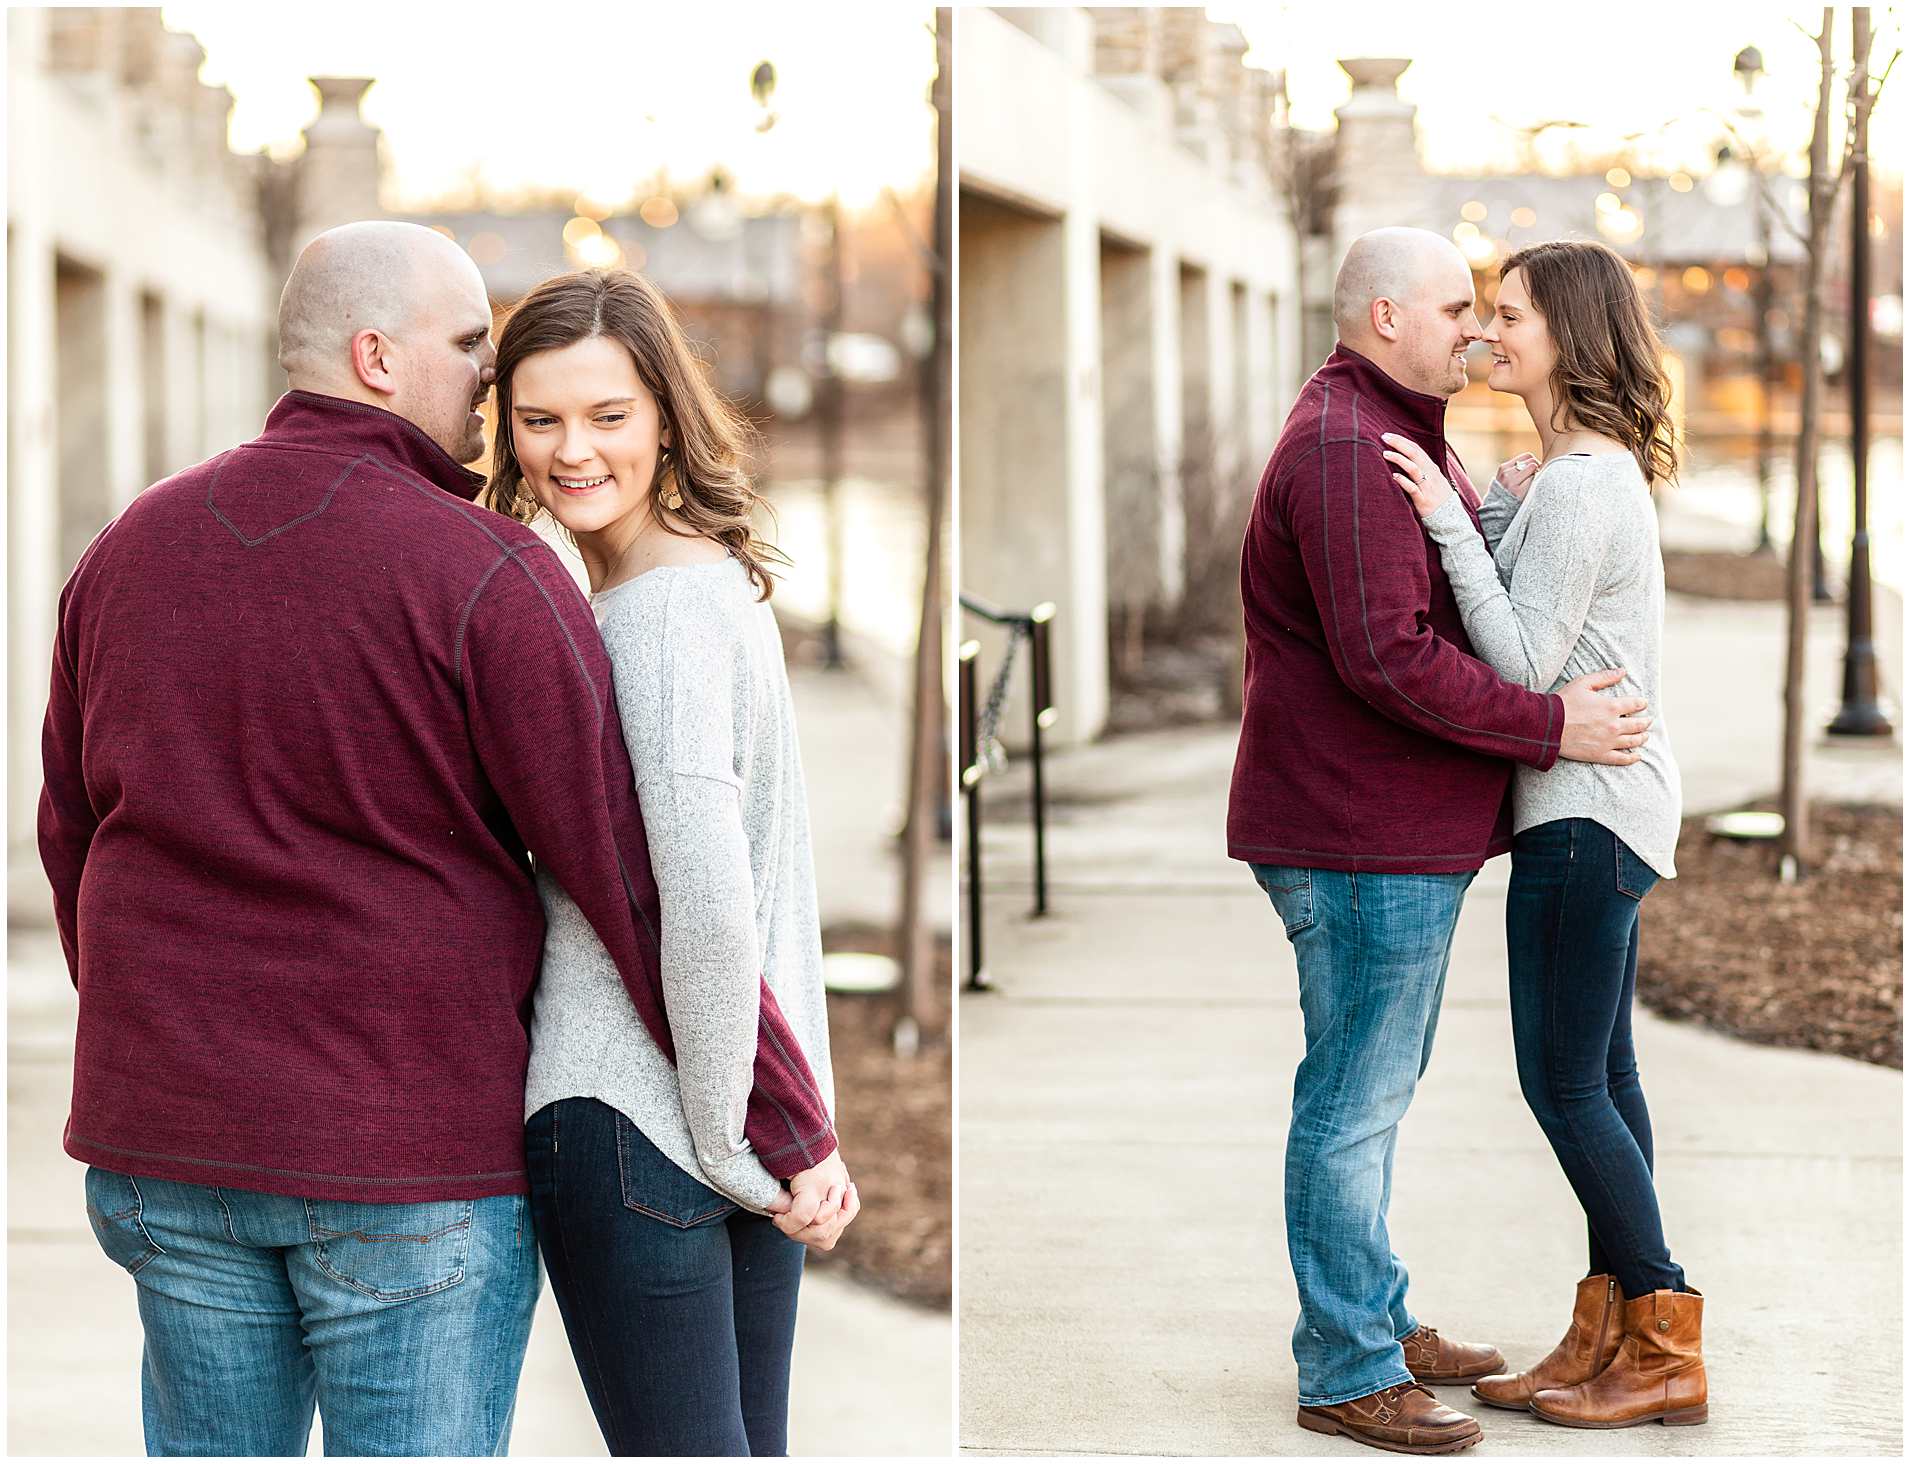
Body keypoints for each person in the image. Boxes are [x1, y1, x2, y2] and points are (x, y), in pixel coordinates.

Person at [39, 221, 839, 1457]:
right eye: (468, 343)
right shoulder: (484, 571)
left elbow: (73, 835)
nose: (484, 376)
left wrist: (167, 1037)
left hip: (167, 1152)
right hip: (401, 1160)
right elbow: (626, 876)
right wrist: (781, 1122)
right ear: (373, 355)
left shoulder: (122, 552)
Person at [1227, 226, 1655, 1456]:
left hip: (1384, 832)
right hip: (1355, 835)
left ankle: (1373, 1315)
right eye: (1455, 306)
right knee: (1352, 1100)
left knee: (1371, 1089)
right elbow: (1388, 659)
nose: (1471, 327)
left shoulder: (1390, 434)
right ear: (1382, 314)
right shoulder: (1349, 449)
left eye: (1487, 310)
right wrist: (1549, 725)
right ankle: (1348, 1368)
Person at [480, 267, 855, 1457]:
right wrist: (777, 1130)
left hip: (658, 1117)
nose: (570, 452)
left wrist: (746, 1145)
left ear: (663, 416)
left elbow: (704, 904)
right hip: (722, 1104)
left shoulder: (655, 615)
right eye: (538, 420)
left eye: (607, 416)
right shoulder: (699, 586)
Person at [1381, 237, 1703, 1430]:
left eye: (1508, 312)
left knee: (1562, 1082)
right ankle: (1611, 1329)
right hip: (1595, 815)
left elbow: (1519, 666)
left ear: (1565, 330)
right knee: (1602, 1078)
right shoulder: (1571, 473)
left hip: (1584, 817)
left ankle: (1661, 1328)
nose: (1486, 329)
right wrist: (1489, 498)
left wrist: (1450, 522)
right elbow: (1538, 634)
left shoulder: (1580, 482)